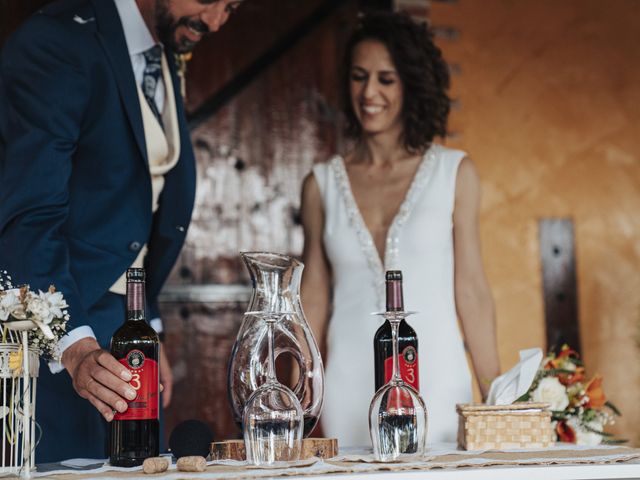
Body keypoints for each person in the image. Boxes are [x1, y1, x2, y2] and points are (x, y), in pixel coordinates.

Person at [0, 0, 244, 462]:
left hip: (124, 331)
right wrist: (71, 345)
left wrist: (146, 323)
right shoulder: (58, 42)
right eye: (209, 0)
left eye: (230, 7)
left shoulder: (162, 51)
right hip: (53, 332)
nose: (214, 21)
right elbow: (28, 215)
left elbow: (133, 212)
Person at [300, 11, 500, 446]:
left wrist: (497, 395)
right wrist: (299, 395)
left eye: (386, 79)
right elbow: (313, 295)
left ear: (411, 84)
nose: (369, 92)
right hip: (349, 386)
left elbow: (472, 291)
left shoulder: (455, 173)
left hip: (438, 380)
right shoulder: (320, 185)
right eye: (358, 76)